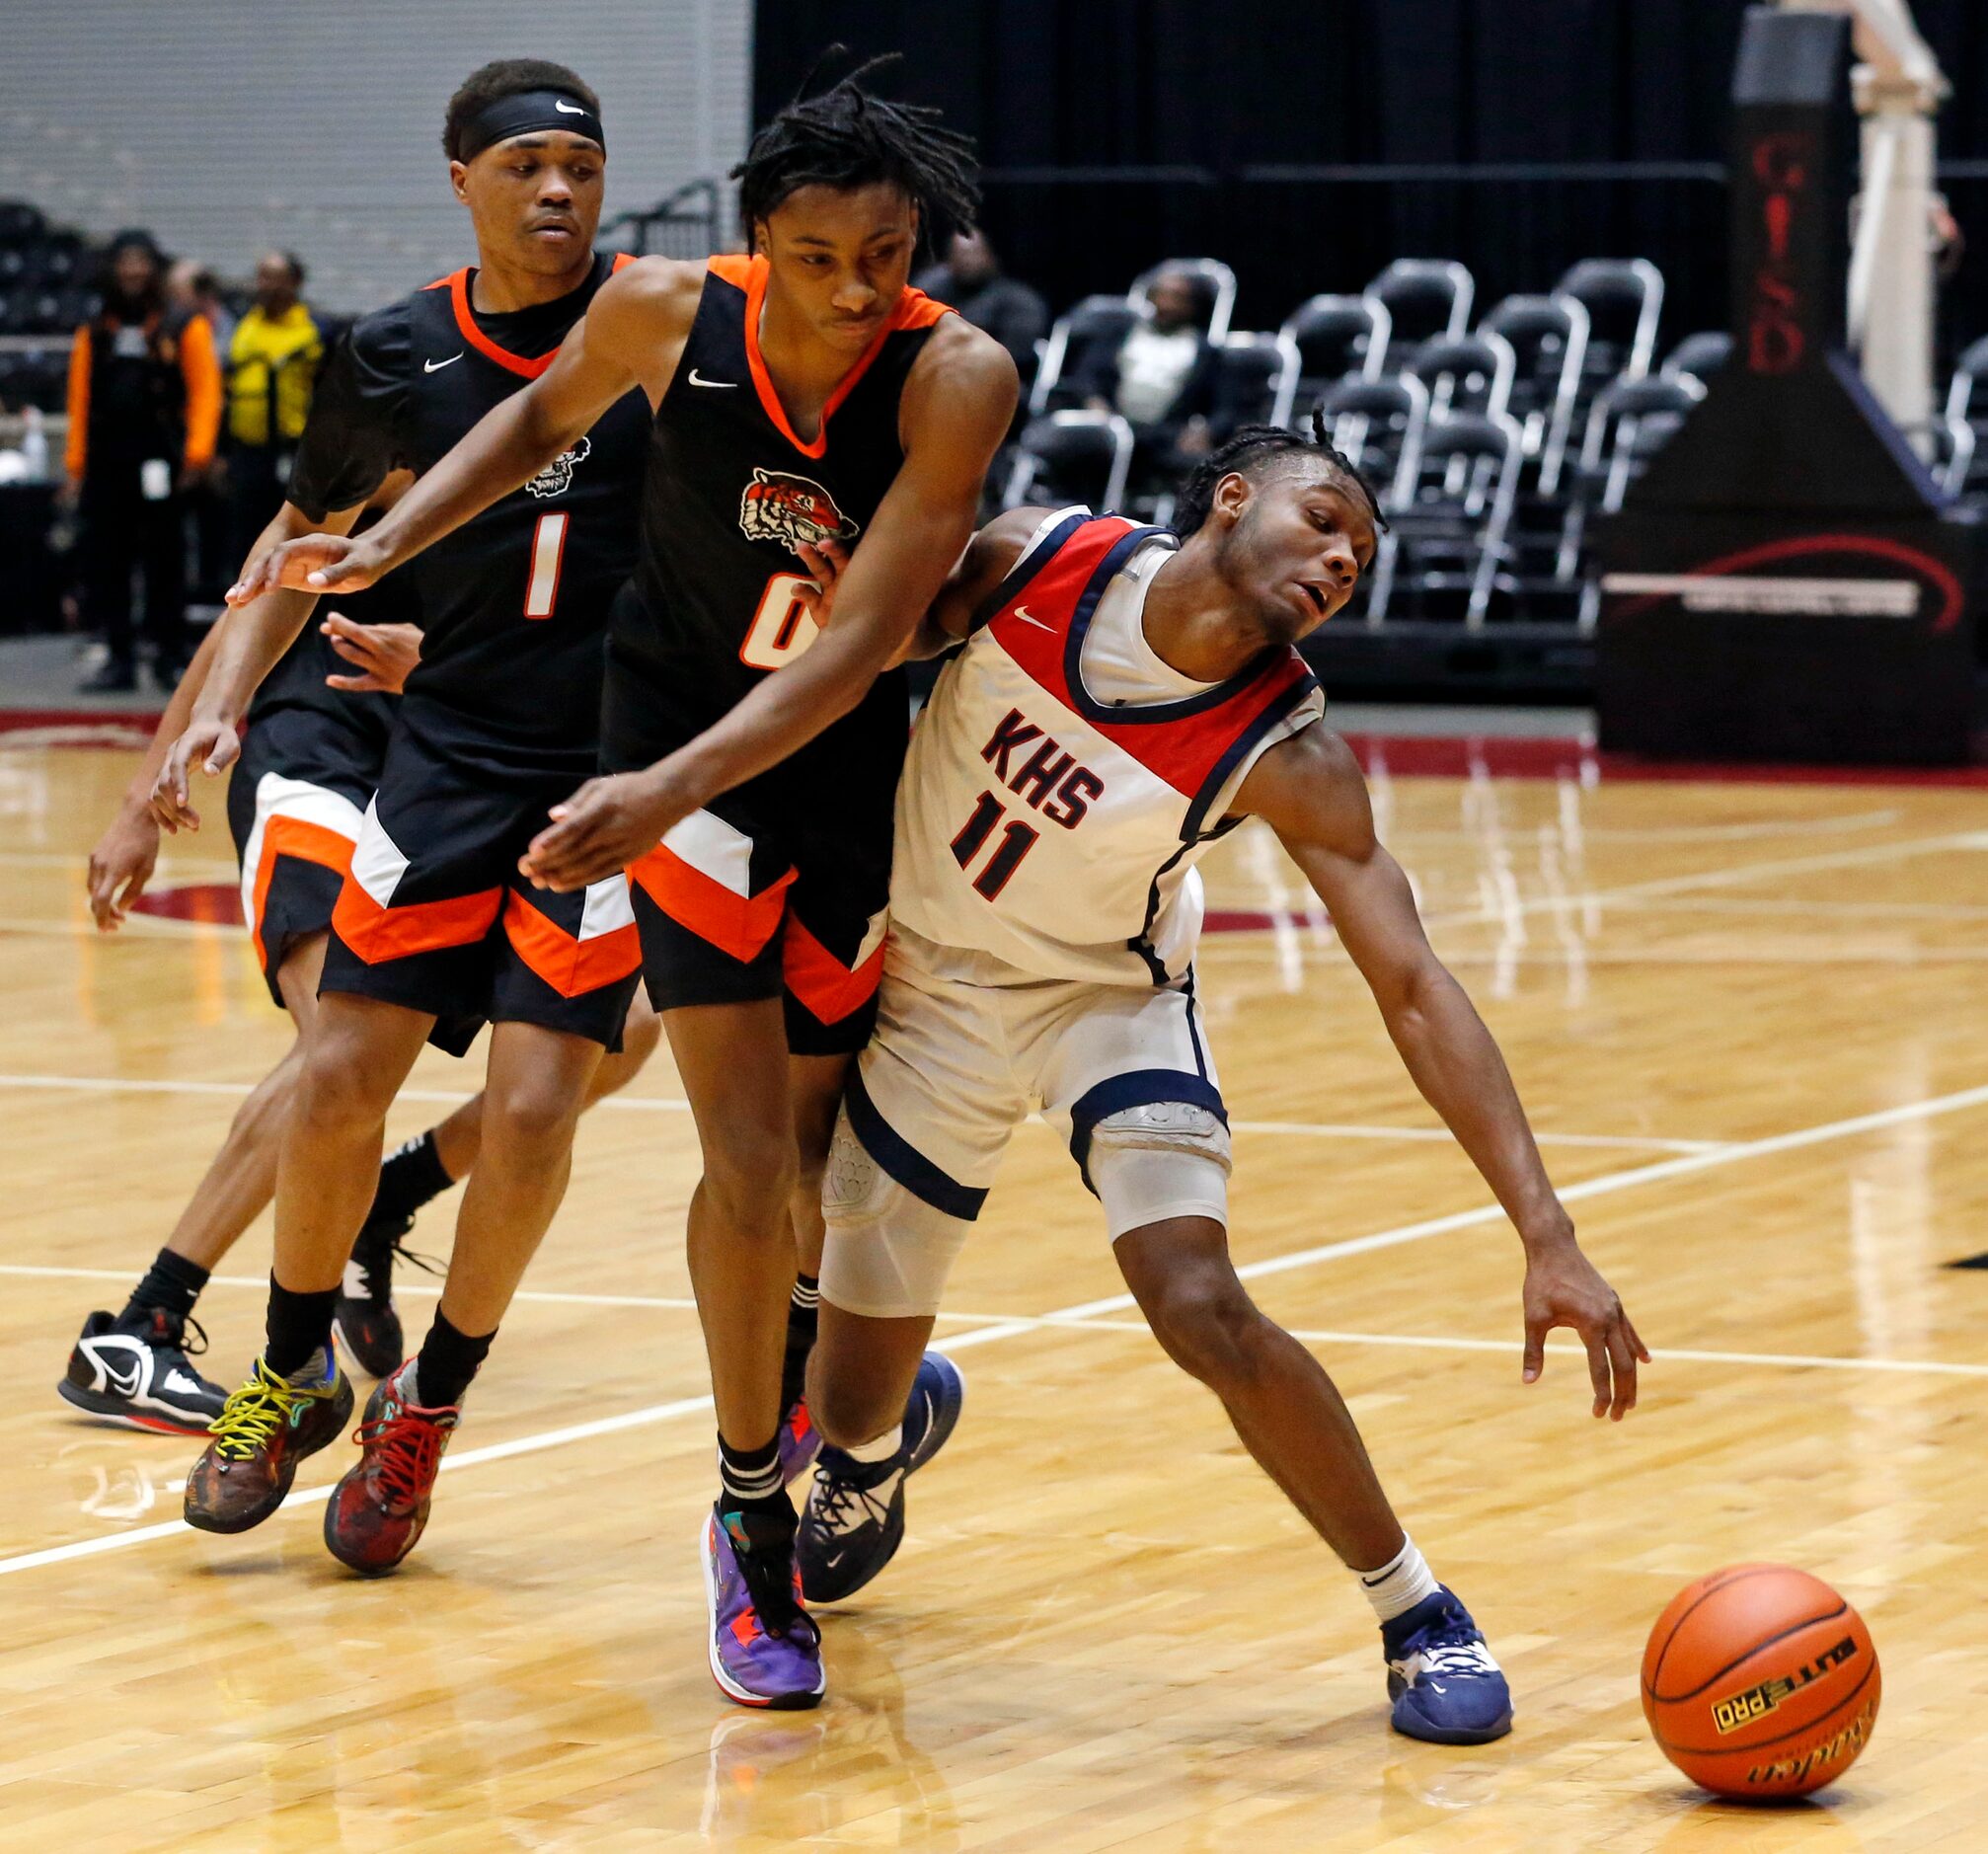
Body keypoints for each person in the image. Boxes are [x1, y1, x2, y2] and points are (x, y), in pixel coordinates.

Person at [233, 58, 1019, 1707]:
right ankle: (747, 1529)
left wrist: (656, 785)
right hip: (667, 751)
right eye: (818, 258)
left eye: (885, 253)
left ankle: (843, 1407)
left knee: (816, 1166)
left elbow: (870, 631)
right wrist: (392, 538)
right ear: (757, 246)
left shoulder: (954, 376)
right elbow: (534, 413)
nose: (856, 286)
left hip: (832, 772)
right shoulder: (670, 317)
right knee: (734, 1155)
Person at [791, 420, 1649, 1746]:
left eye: (1357, 561)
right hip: (931, 995)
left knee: (1195, 1300)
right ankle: (875, 1442)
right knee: (842, 1407)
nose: (1337, 561)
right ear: (1230, 497)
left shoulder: (1284, 747)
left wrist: (1549, 1232)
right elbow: (842, 655)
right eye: (1322, 524)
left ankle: (1416, 1607)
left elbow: (1413, 983)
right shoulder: (1034, 559)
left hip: (1108, 998)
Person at [156, 59, 666, 1577]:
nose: (557, 191)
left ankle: (426, 1410)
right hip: (441, 758)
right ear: (462, 182)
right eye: (524, 168)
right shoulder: (389, 354)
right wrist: (212, 700)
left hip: (604, 778)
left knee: (531, 1111)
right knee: (337, 1074)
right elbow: (307, 534)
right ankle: (291, 1364)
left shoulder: (668, 329)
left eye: (578, 165)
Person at [62, 558, 663, 1432]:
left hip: (458, 770)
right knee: (332, 1051)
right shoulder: (409, 431)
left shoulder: (595, 456)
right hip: (323, 749)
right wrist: (139, 802)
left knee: (628, 1030)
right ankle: (141, 1325)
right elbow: (258, 593)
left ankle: (389, 1194)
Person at [65, 229, 222, 691]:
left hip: (163, 463)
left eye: (141, 261)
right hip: (107, 464)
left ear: (155, 269)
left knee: (165, 562)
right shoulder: (95, 330)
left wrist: (198, 454)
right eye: (124, 261)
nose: (132, 270)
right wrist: (75, 467)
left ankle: (170, 657)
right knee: (108, 564)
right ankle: (119, 658)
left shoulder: (182, 324)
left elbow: (206, 392)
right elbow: (79, 400)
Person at [1070, 264, 1219, 476]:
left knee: (1203, 468)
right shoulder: (1120, 333)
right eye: (1161, 295)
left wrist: (1205, 430)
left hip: (1166, 436)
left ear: (1192, 305)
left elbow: (1223, 407)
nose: (1166, 304)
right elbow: (1086, 375)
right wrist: (1093, 400)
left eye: (1176, 297)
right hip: (1111, 424)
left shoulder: (1206, 352)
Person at [224, 252, 325, 565]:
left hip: (292, 449)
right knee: (245, 531)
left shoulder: (313, 329)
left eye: (272, 276)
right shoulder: (246, 326)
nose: (264, 284)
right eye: (261, 276)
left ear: (294, 282)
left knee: (290, 531)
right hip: (247, 450)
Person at [913, 228, 1046, 379]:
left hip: (992, 379)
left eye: (972, 252)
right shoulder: (931, 289)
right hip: (934, 375)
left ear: (990, 256)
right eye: (960, 253)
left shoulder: (1018, 302)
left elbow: (1015, 356)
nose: (966, 260)